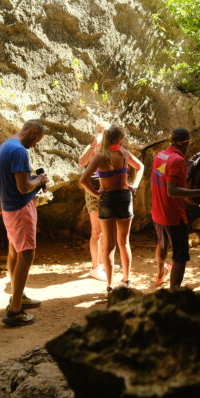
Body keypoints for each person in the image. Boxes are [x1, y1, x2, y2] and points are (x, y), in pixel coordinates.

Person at [0, 120, 49, 327]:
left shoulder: (5, 146)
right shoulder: (19, 151)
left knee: (14, 251)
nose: (35, 145)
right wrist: (40, 180)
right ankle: (15, 309)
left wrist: (33, 179)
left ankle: (19, 295)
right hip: (20, 209)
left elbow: (15, 181)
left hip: (9, 207)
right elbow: (24, 187)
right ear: (33, 132)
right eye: (37, 140)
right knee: (26, 254)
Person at [79, 125, 144, 293]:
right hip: (124, 197)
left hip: (107, 199)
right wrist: (134, 186)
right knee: (124, 242)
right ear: (120, 139)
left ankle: (110, 284)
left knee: (109, 245)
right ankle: (127, 279)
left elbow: (83, 180)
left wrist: (97, 194)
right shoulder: (124, 154)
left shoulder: (100, 157)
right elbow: (140, 167)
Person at [151, 128, 200, 288]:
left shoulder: (160, 155)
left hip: (157, 211)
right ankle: (174, 293)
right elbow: (172, 191)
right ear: (186, 142)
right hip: (173, 215)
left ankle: (160, 274)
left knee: (162, 244)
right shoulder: (178, 161)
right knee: (180, 256)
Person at [78, 120, 110, 281]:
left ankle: (105, 263)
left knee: (107, 231)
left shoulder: (111, 149)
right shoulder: (91, 148)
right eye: (101, 131)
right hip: (93, 190)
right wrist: (93, 146)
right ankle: (95, 267)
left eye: (106, 132)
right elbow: (82, 162)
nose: (103, 135)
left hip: (108, 190)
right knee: (97, 231)